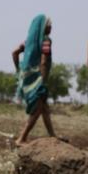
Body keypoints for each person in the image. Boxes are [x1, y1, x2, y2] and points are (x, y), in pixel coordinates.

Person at [13, 14, 55, 146]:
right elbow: (43, 61)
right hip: (38, 81)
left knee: (44, 108)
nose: (51, 27)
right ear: (43, 27)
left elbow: (14, 52)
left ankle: (53, 136)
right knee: (37, 110)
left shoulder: (29, 41)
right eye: (49, 25)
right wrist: (42, 82)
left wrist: (19, 71)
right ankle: (21, 138)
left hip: (26, 79)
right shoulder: (45, 40)